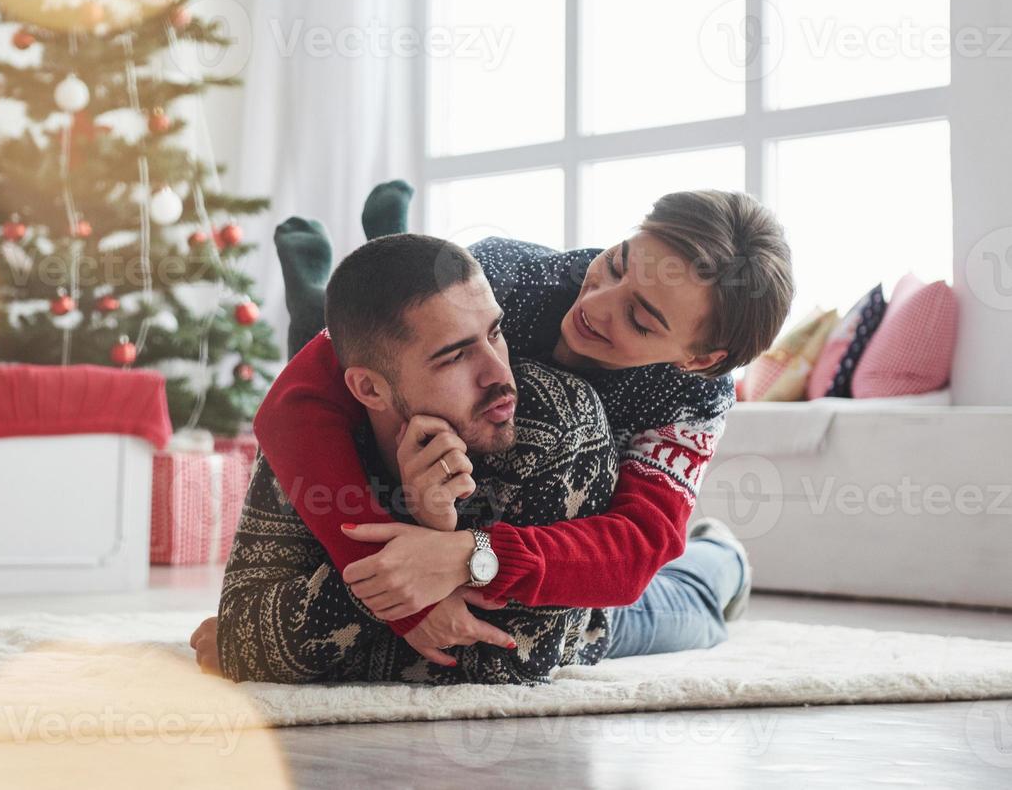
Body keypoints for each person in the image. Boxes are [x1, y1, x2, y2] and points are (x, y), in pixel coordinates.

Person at [194, 233, 751, 684]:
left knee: (679, 601)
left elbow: (633, 554)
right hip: (444, 487)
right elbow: (296, 403)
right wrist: (403, 585)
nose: (596, 303)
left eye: (641, 320)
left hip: (562, 559)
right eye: (616, 263)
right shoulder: (499, 278)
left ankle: (722, 558)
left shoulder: (693, 399)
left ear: (699, 358)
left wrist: (462, 554)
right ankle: (320, 303)